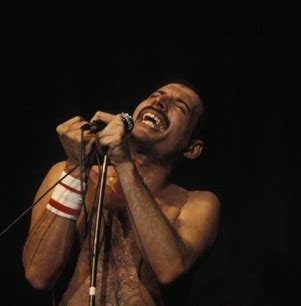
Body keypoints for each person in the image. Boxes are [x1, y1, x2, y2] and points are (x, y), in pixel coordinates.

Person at [22, 80, 221, 305]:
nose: (159, 102)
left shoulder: (196, 203)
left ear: (192, 148)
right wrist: (75, 170)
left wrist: (124, 164)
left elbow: (170, 269)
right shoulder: (68, 173)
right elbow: (38, 275)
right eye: (156, 94)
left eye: (180, 106)